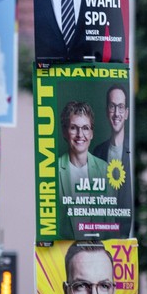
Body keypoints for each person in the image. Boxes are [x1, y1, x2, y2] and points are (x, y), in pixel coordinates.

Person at [58, 101, 109, 238]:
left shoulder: (105, 170)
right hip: (62, 253)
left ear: (92, 133)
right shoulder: (53, 171)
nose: (80, 134)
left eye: (86, 128)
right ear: (64, 132)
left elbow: (110, 221)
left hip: (97, 252)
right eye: (74, 128)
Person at [91, 84, 133, 236]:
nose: (116, 113)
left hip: (125, 235)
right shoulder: (97, 152)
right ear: (106, 111)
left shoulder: (132, 151)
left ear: (127, 113)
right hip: (100, 234)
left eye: (121, 107)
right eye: (112, 106)